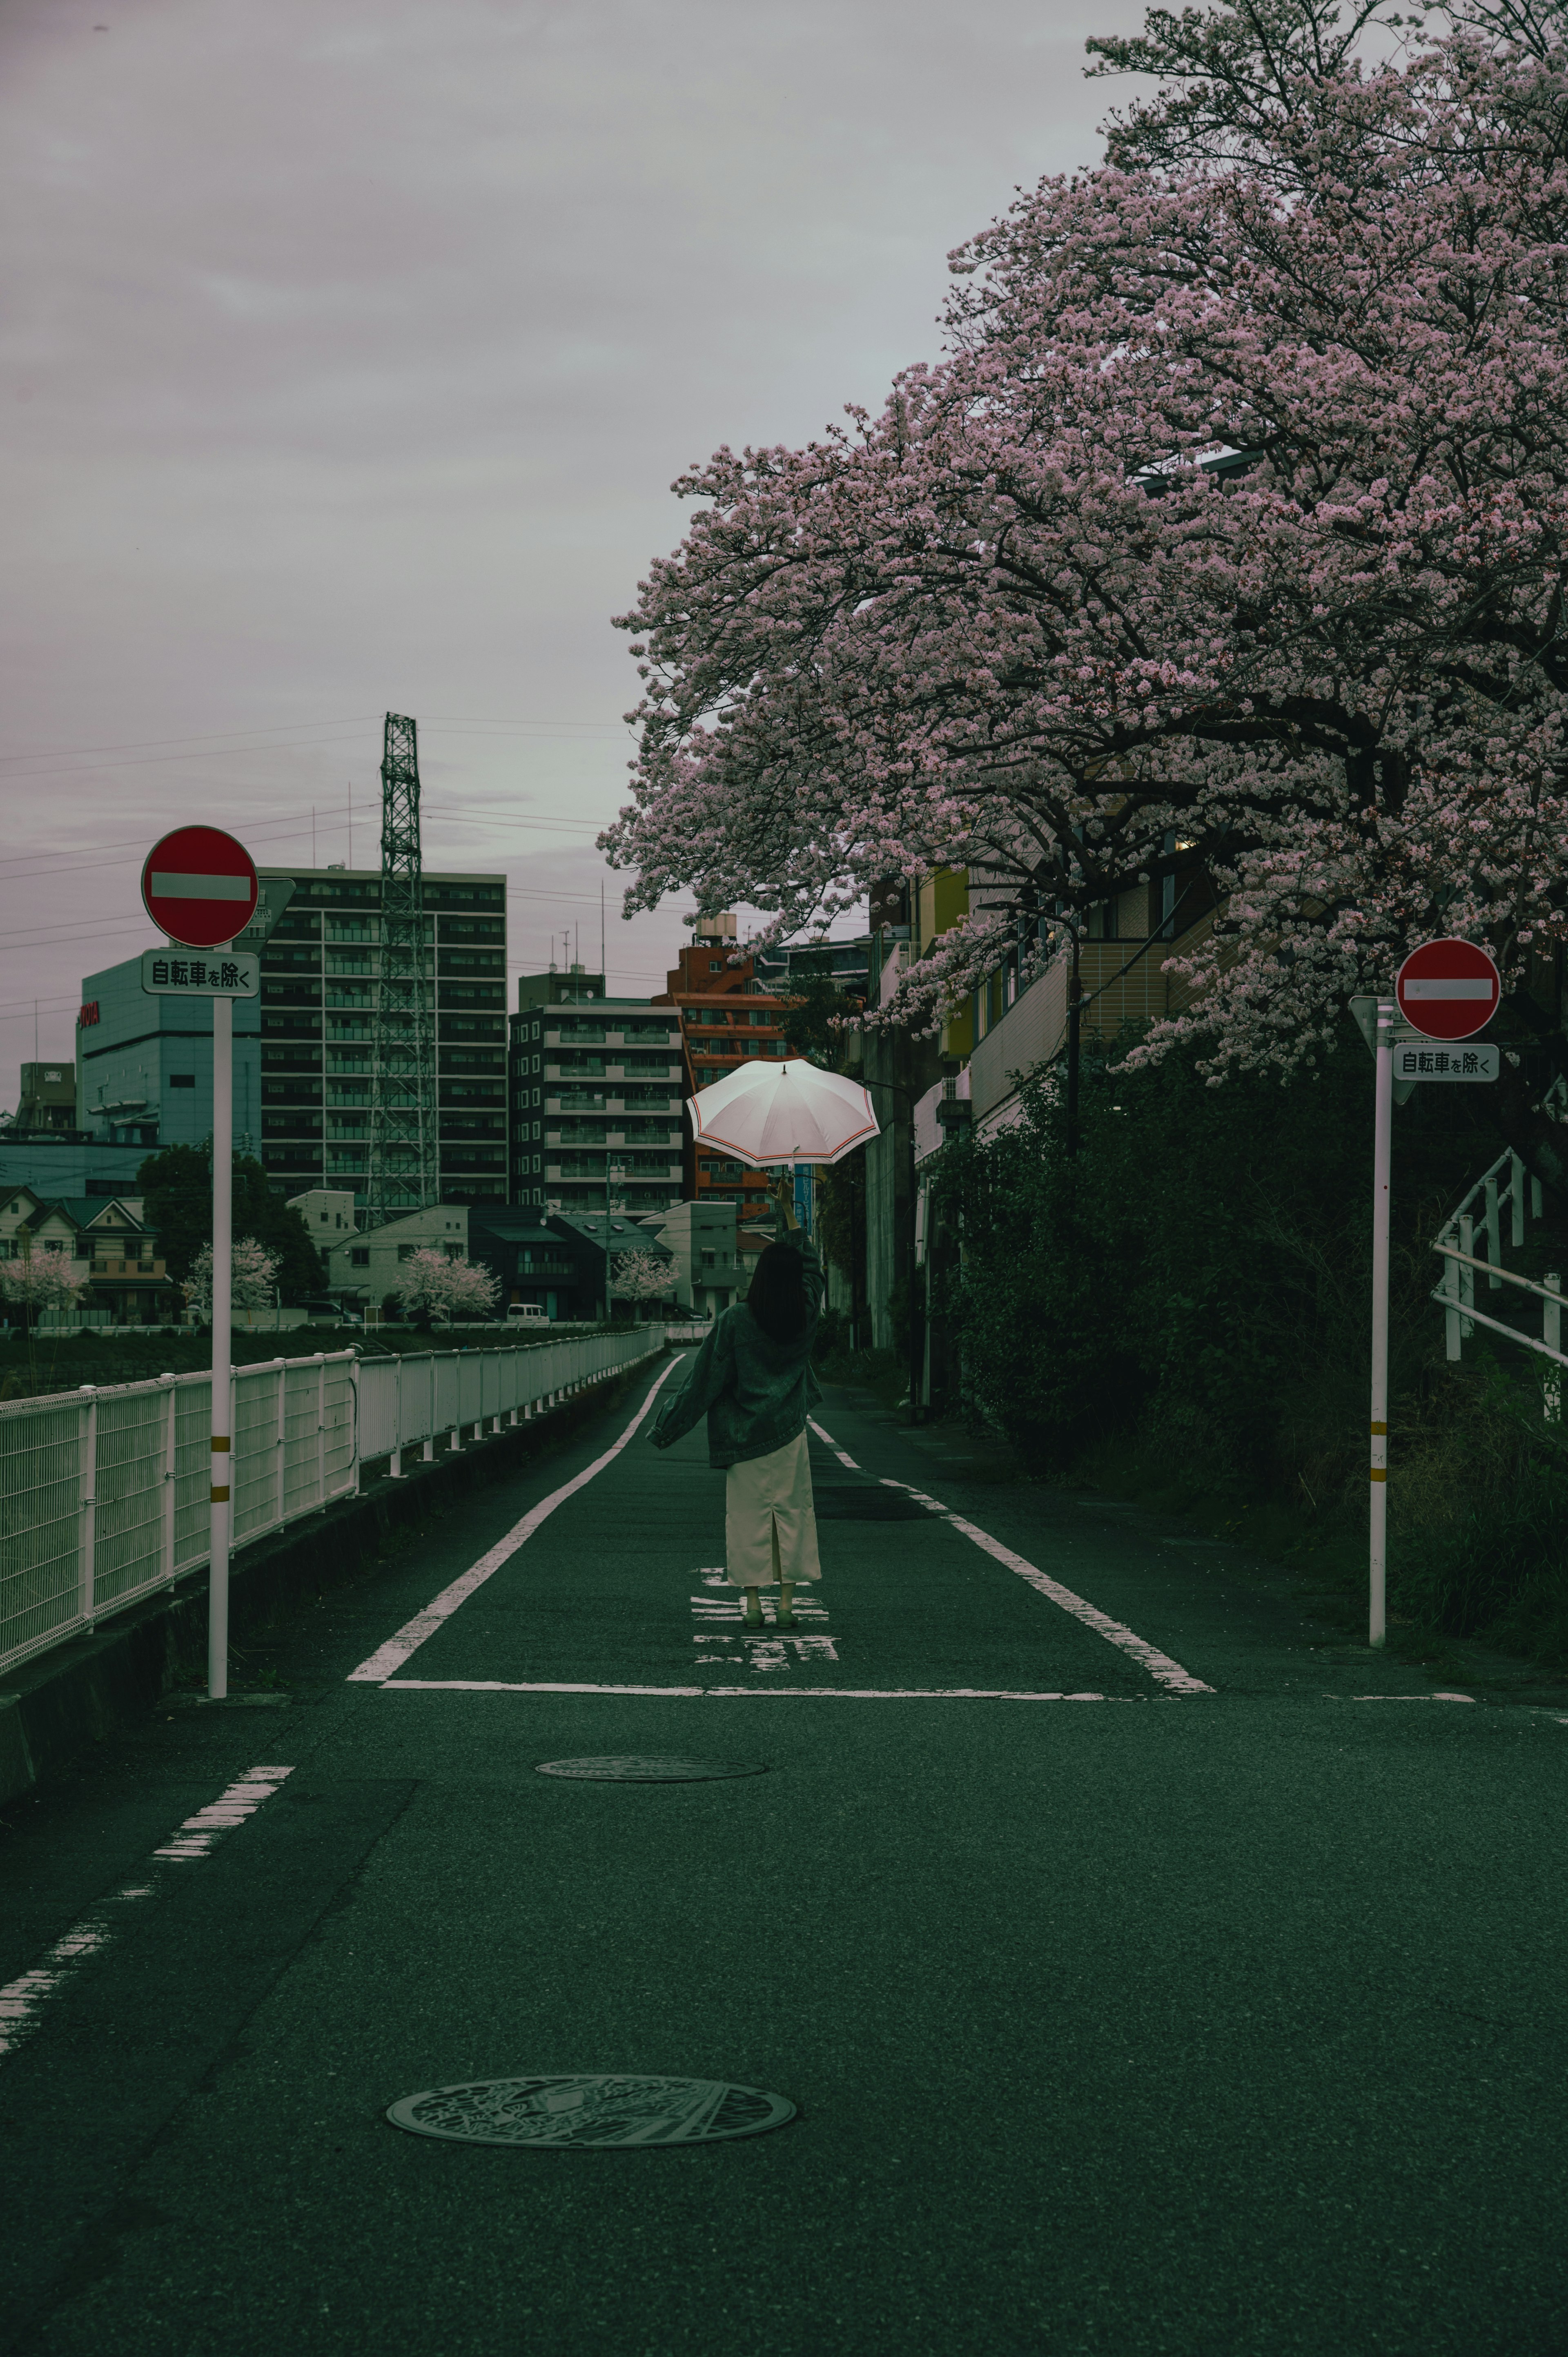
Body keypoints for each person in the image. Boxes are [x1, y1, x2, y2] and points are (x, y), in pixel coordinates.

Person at [649, 1173, 823, 1628]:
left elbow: (703, 1380)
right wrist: (788, 1209)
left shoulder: (736, 1319)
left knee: (747, 1519)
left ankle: (752, 1605)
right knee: (793, 1516)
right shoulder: (804, 1315)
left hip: (743, 1438)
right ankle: (787, 1605)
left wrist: (666, 1428)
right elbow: (811, 1267)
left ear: (759, 1275)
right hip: (789, 1433)